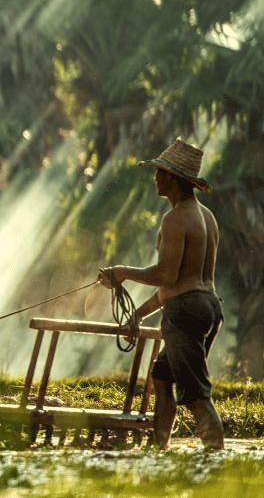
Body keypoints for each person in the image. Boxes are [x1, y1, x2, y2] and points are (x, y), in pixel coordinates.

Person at [98, 137, 224, 450]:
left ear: (172, 178)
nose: (155, 178)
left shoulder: (174, 219)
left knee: (195, 394)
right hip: (207, 306)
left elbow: (166, 276)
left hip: (185, 312)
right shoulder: (206, 217)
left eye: (159, 173)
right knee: (162, 378)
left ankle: (217, 459)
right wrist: (137, 315)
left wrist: (123, 272)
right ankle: (159, 447)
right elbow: (177, 284)